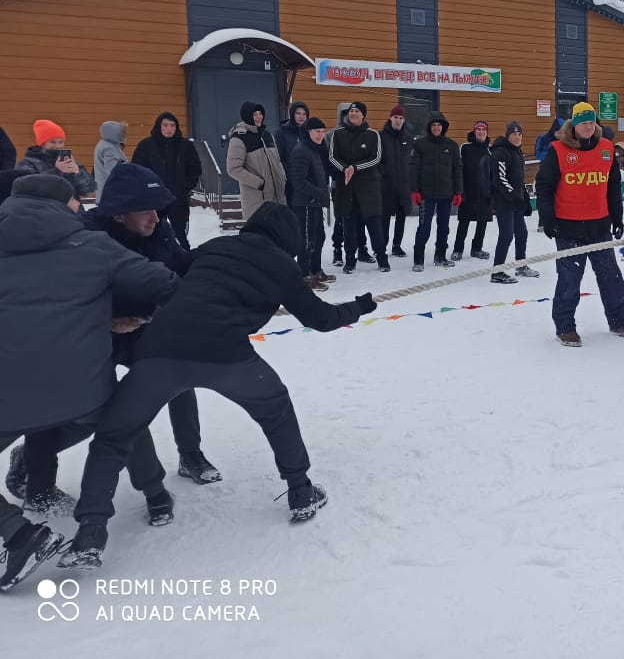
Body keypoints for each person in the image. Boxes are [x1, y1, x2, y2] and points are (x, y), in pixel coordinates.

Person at [58, 202, 380, 570]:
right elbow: (321, 319)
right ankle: (301, 492)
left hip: (160, 350)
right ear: (290, 239)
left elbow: (166, 276)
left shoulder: (214, 247)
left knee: (113, 437)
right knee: (275, 408)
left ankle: (90, 533)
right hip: (226, 355)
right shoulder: (282, 265)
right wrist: (359, 307)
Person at [0, 173, 180, 588]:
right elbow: (168, 285)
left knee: (42, 410)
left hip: (7, 399)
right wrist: (127, 317)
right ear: (66, 206)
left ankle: (16, 532)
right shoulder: (94, 246)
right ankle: (156, 495)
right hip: (84, 393)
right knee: (122, 423)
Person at [78, 162, 222, 487]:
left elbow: (182, 266)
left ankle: (191, 455)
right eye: (147, 211)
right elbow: (63, 296)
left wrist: (222, 263)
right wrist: (105, 321)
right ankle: (31, 465)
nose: (156, 218)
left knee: (178, 374)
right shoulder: (85, 237)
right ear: (119, 215)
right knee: (85, 407)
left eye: (158, 210)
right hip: (94, 336)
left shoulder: (159, 229)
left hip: (144, 326)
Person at [535, 101, 624, 346]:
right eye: (583, 123)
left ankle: (619, 320)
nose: (588, 127)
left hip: (599, 226)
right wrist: (548, 219)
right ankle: (565, 326)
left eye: (591, 122)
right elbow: (544, 186)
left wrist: (617, 217)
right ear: (574, 125)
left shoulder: (606, 148)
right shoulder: (558, 150)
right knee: (569, 279)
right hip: (568, 228)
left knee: (610, 275)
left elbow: (613, 186)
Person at [327, 101, 390, 274]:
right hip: (346, 189)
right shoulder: (338, 134)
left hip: (369, 190)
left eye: (357, 111)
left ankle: (382, 259)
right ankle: (350, 261)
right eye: (351, 111)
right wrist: (345, 169)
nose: (353, 114)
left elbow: (375, 158)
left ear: (363, 115)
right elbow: (332, 157)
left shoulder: (372, 134)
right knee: (349, 228)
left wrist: (354, 168)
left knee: (375, 227)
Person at [131, 112, 202, 250]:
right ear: (159, 126)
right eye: (165, 125)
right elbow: (138, 170)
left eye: (172, 125)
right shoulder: (146, 146)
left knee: (180, 235)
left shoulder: (185, 146)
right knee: (152, 234)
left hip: (178, 199)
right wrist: (148, 190)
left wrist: (185, 187)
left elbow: (195, 168)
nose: (169, 129)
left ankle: (184, 259)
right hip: (154, 201)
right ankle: (154, 259)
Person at [410, 111, 463, 271]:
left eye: (439, 125)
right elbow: (413, 168)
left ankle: (440, 256)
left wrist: (458, 192)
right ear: (429, 127)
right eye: (433, 125)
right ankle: (418, 260)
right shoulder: (420, 144)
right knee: (424, 227)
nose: (436, 128)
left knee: (443, 227)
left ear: (443, 127)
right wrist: (415, 190)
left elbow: (457, 170)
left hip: (446, 195)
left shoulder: (452, 146)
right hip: (426, 195)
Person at [489, 121, 538, 284]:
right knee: (506, 235)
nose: (517, 137)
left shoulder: (518, 152)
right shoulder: (500, 153)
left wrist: (524, 197)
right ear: (508, 136)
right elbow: (500, 179)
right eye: (514, 134)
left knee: (522, 233)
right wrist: (513, 196)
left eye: (519, 134)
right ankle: (497, 272)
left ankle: (521, 265)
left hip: (515, 201)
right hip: (503, 202)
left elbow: (519, 179)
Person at [290, 117, 334, 289]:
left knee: (319, 237)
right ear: (308, 132)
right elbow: (298, 181)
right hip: (305, 203)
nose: (320, 135)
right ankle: (304, 275)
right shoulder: (301, 151)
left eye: (323, 132)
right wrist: (320, 192)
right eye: (317, 131)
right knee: (307, 240)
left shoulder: (314, 149)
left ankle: (315, 270)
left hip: (314, 202)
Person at [226, 102, 286, 220]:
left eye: (260, 114)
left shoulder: (267, 135)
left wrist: (283, 180)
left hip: (277, 198)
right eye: (255, 114)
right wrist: (260, 184)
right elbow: (233, 169)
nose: (259, 117)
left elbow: (277, 162)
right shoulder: (239, 137)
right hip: (257, 200)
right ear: (247, 116)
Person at [18, 119, 95, 197]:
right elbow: (29, 190)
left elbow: (88, 191)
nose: (58, 146)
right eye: (52, 142)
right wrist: (57, 171)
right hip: (45, 204)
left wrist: (78, 173)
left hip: (72, 204)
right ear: (42, 144)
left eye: (61, 142)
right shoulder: (27, 164)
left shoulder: (71, 162)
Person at [452, 120, 494, 261]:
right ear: (474, 131)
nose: (481, 132)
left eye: (483, 130)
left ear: (486, 132)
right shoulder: (465, 148)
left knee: (482, 222)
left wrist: (492, 192)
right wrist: (459, 189)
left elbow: (493, 173)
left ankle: (477, 248)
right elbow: (458, 169)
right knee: (464, 222)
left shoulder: (491, 150)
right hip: (468, 192)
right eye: (478, 130)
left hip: (485, 193)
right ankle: (457, 249)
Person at [379, 104, 412, 257]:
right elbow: (377, 161)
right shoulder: (381, 137)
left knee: (401, 218)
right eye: (395, 117)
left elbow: (411, 162)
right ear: (390, 118)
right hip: (386, 186)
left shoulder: (408, 138)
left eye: (401, 118)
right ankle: (382, 246)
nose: (398, 120)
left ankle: (397, 245)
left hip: (403, 186)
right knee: (384, 219)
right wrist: (382, 175)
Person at [276, 101, 310, 188]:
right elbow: (277, 159)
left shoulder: (310, 133)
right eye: (298, 113)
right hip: (289, 182)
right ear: (292, 114)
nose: (301, 117)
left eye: (304, 114)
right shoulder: (282, 133)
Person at [92, 120, 127, 202]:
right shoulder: (109, 148)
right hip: (112, 192)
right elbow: (113, 172)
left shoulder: (103, 143)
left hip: (105, 190)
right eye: (123, 132)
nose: (124, 135)